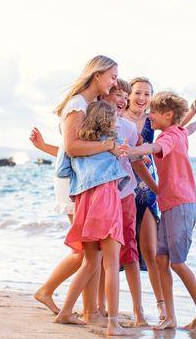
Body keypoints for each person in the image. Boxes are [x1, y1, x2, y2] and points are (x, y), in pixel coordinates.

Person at [30, 55, 122, 327]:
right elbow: (72, 148)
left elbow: (71, 149)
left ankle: (87, 309)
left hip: (85, 180)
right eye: (112, 77)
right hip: (76, 183)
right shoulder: (78, 105)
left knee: (90, 253)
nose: (115, 82)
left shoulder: (90, 105)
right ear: (97, 75)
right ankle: (62, 299)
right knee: (87, 252)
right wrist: (108, 147)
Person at [120, 91, 196, 332]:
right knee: (161, 260)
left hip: (180, 205)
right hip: (170, 204)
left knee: (178, 263)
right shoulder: (179, 131)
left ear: (168, 115)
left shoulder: (169, 137)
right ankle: (169, 317)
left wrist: (132, 151)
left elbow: (155, 146)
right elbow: (189, 128)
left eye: (154, 112)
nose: (149, 115)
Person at [54, 101, 128, 336]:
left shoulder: (77, 148)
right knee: (111, 263)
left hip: (84, 203)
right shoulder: (109, 144)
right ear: (108, 122)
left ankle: (65, 311)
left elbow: (61, 171)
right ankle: (113, 323)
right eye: (115, 117)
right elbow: (121, 171)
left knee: (89, 262)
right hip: (106, 199)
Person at [97, 78, 157, 326]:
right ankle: (98, 307)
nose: (121, 100)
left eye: (124, 96)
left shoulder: (131, 129)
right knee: (101, 253)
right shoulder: (95, 123)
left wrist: (156, 188)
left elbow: (137, 162)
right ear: (105, 97)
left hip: (126, 196)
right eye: (117, 95)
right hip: (101, 196)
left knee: (130, 251)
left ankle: (139, 312)